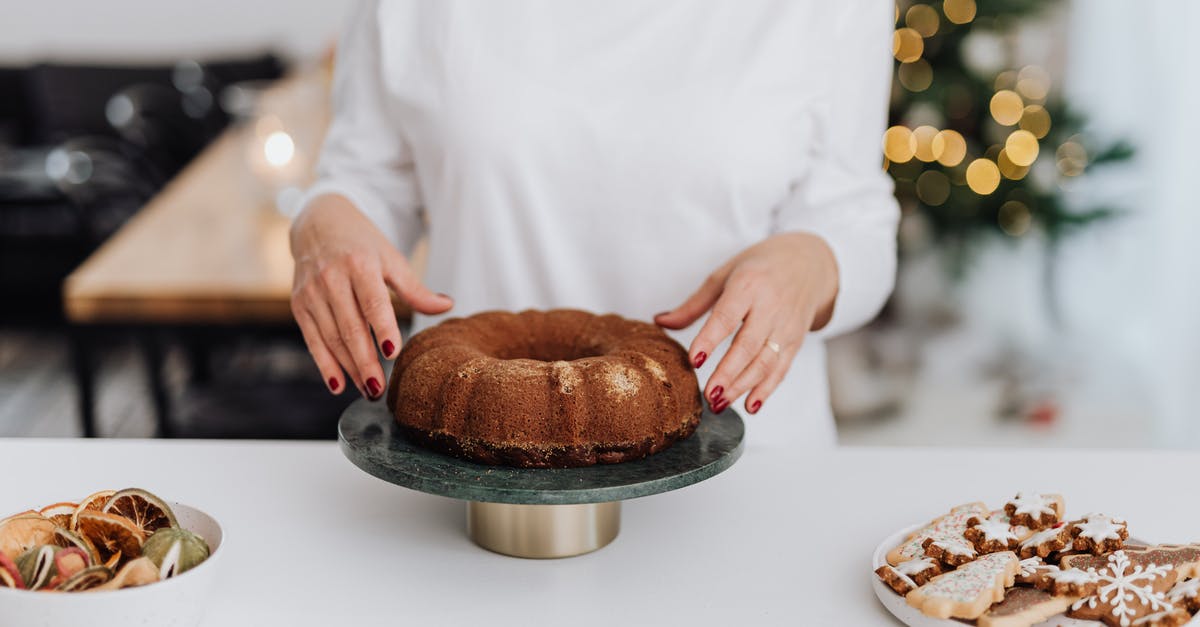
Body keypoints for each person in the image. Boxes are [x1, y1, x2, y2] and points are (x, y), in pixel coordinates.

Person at [289, 0, 899, 448]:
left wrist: (809, 262)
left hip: (746, 471)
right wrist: (325, 218)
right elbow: (366, 176)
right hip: (468, 465)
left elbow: (852, 213)